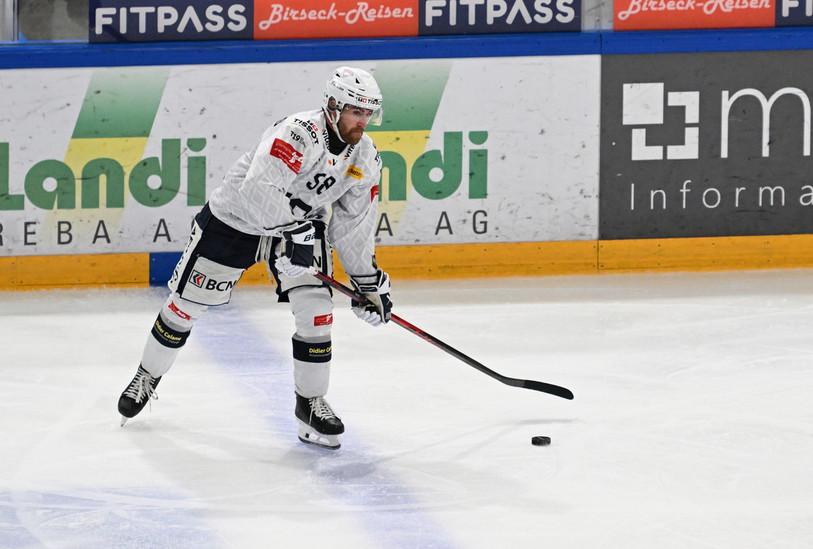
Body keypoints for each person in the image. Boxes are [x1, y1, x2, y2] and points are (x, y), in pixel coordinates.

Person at [117, 66, 393, 450]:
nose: (362, 122)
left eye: (368, 113)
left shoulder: (365, 157)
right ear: (332, 106)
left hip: (297, 229)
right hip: (236, 222)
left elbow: (353, 224)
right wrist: (293, 230)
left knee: (316, 312)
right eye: (355, 112)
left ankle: (310, 404)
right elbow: (258, 191)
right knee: (185, 307)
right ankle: (147, 375)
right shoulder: (298, 133)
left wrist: (367, 282)